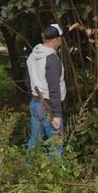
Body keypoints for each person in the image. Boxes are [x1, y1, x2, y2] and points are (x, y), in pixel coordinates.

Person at [26, 23, 66, 157]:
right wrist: (57, 115)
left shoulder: (33, 55)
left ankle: (26, 173)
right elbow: (54, 89)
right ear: (56, 40)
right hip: (48, 106)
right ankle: (54, 177)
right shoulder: (52, 59)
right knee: (56, 144)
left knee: (34, 142)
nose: (61, 42)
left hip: (35, 103)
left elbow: (28, 79)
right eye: (60, 39)